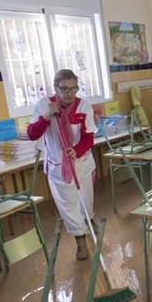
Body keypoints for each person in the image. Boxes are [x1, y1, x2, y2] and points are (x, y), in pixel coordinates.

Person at [27, 69, 97, 260]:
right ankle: (80, 240)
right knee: (68, 205)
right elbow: (32, 134)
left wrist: (77, 150)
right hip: (58, 167)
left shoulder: (84, 107)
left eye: (74, 89)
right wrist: (47, 117)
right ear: (55, 87)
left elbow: (89, 138)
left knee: (86, 200)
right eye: (64, 89)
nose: (69, 94)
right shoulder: (43, 105)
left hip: (81, 163)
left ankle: (89, 220)